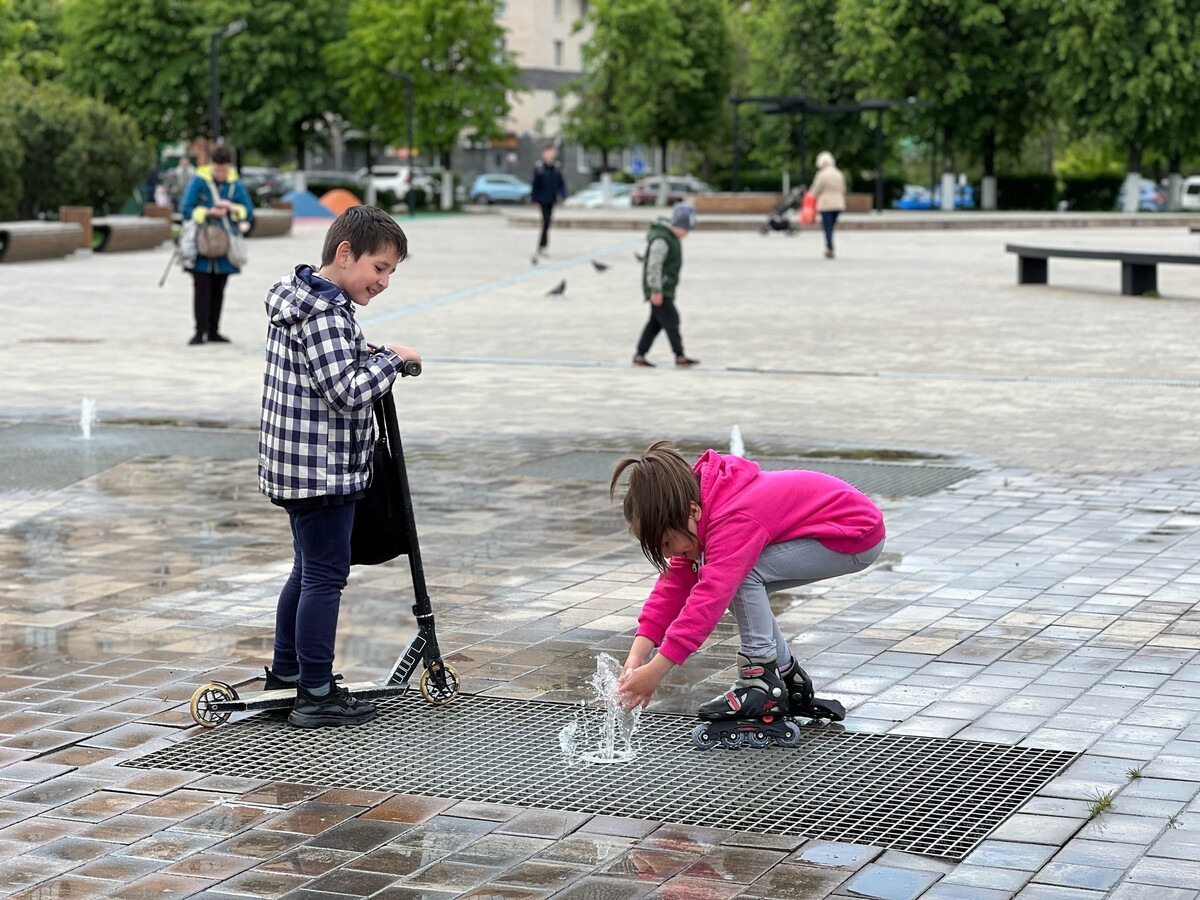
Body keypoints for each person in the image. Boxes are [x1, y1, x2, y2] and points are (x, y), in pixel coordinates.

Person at [258, 205, 422, 729]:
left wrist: (372, 354)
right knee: (325, 576)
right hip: (321, 470)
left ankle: (286, 678)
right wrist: (391, 361)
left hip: (299, 465)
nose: (384, 281)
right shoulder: (325, 312)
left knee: (307, 571)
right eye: (379, 267)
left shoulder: (304, 300)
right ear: (345, 253)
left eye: (392, 272)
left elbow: (331, 369)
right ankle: (316, 691)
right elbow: (346, 391)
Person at [610, 441, 885, 726]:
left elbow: (708, 599)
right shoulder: (699, 507)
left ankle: (760, 683)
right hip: (841, 530)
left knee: (736, 577)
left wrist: (657, 670)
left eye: (667, 542)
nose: (668, 554)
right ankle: (787, 675)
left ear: (692, 512)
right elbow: (673, 586)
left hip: (853, 533)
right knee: (736, 580)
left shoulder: (732, 516)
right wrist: (637, 657)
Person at [180, 146, 254, 344]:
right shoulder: (199, 181)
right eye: (217, 169)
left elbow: (248, 211)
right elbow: (186, 209)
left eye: (224, 169)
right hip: (201, 244)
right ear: (211, 165)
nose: (221, 173)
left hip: (224, 247)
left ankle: (213, 330)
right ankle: (199, 331)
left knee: (219, 288)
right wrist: (208, 212)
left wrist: (232, 208)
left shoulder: (235, 184)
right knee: (201, 288)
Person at [632, 202, 699, 368]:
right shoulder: (662, 240)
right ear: (678, 225)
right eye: (687, 229)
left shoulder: (671, 238)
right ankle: (679, 355)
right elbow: (654, 265)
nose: (687, 233)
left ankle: (640, 354)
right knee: (672, 320)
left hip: (665, 288)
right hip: (659, 289)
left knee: (655, 323)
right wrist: (655, 289)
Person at [530, 143, 567, 263]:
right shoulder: (539, 168)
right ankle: (542, 246)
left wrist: (563, 195)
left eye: (552, 152)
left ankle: (543, 246)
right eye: (548, 152)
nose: (551, 154)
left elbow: (561, 184)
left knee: (547, 223)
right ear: (544, 154)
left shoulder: (556, 168)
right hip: (542, 200)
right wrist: (534, 200)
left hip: (551, 199)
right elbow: (535, 185)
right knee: (546, 222)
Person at [810, 150, 846, 259]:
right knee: (832, 225)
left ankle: (829, 247)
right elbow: (843, 188)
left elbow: (815, 190)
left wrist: (810, 195)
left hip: (826, 204)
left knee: (827, 226)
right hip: (838, 203)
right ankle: (830, 245)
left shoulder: (821, 175)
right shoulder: (839, 173)